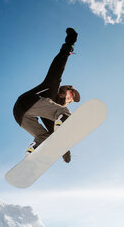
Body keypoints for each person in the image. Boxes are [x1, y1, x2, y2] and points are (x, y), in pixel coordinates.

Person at [13, 28, 80, 163]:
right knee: (63, 112)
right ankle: (63, 117)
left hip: (20, 116)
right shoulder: (52, 85)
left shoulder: (52, 114)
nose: (70, 98)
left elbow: (56, 133)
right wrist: (68, 46)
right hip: (27, 101)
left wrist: (63, 149)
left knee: (47, 137)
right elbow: (57, 67)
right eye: (71, 94)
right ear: (65, 89)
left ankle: (34, 149)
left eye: (72, 99)